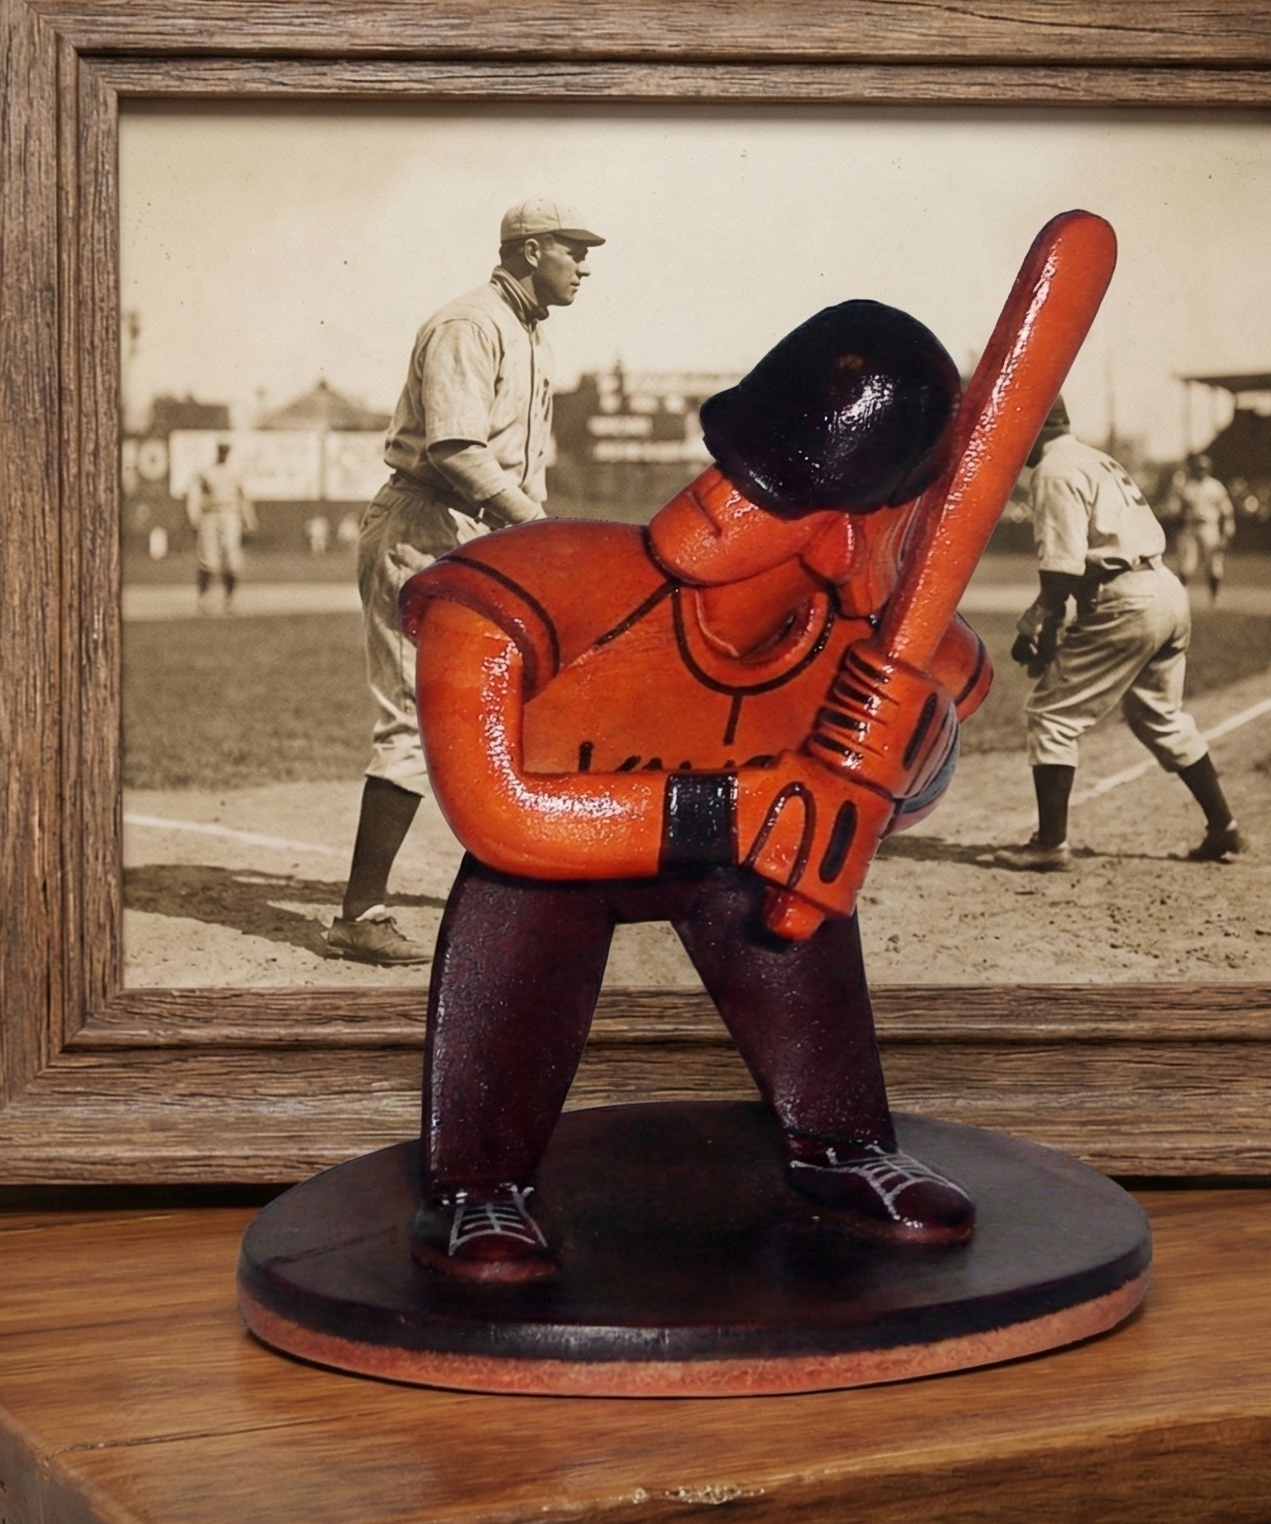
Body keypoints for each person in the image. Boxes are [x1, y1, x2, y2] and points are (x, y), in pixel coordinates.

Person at [398, 301, 987, 1278]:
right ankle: (476, 1181)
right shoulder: (535, 586)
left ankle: (840, 1137)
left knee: (798, 869)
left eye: (784, 493)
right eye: (742, 470)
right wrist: (734, 808)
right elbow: (496, 815)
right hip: (559, 864)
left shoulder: (885, 648)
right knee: (524, 898)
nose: (724, 501)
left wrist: (909, 759)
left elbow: (892, 802)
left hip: (733, 867)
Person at [324, 200, 602, 966]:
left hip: (475, 533)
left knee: (519, 703)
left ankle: (525, 878)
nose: (585, 265)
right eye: (573, 250)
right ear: (530, 248)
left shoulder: (526, 332)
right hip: (423, 528)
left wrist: (527, 527)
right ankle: (360, 914)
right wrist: (532, 527)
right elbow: (452, 447)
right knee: (416, 716)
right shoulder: (470, 325)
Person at [985, 400, 1244, 872]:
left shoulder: (1054, 471)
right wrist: (1044, 626)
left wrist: (1036, 620)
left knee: (1051, 715)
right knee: (1159, 717)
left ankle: (1049, 843)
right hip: (1164, 589)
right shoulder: (1092, 457)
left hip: (1123, 597)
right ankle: (1222, 826)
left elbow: (1061, 569)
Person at [185, 438, 255, 612]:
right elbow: (193, 495)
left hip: (231, 514)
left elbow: (244, 498)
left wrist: (249, 520)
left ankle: (230, 601)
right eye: (222, 450)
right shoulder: (206, 472)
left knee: (232, 559)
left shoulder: (235, 472)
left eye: (226, 451)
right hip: (210, 515)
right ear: (217, 452)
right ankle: (203, 600)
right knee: (208, 559)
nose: (224, 453)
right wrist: (194, 517)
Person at [1171, 450, 1236, 602]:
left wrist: (1227, 532)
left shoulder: (1215, 486)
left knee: (1213, 562)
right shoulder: (1187, 487)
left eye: (1204, 468)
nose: (1201, 471)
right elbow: (1177, 511)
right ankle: (1182, 596)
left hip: (1209, 527)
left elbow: (1227, 512)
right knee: (1186, 562)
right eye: (1199, 467)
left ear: (1209, 469)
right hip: (1190, 526)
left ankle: (1215, 596)